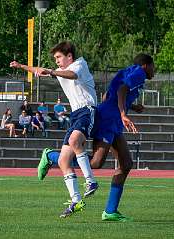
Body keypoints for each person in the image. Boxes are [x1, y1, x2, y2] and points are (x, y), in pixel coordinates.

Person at [37, 53, 155, 222]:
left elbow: (108, 95)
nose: (154, 70)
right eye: (153, 66)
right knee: (95, 163)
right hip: (109, 120)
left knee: (126, 163)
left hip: (111, 119)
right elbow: (122, 89)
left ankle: (110, 211)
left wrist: (132, 106)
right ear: (146, 65)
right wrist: (123, 113)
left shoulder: (130, 71)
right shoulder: (139, 73)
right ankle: (51, 156)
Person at [10, 41, 98, 218]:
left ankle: (91, 181)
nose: (56, 61)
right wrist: (21, 66)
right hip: (75, 115)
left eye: (59, 57)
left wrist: (51, 71)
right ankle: (76, 200)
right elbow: (38, 70)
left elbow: (72, 75)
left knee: (74, 141)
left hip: (87, 110)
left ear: (69, 56)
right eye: (55, 58)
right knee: (64, 161)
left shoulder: (79, 64)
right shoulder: (59, 71)